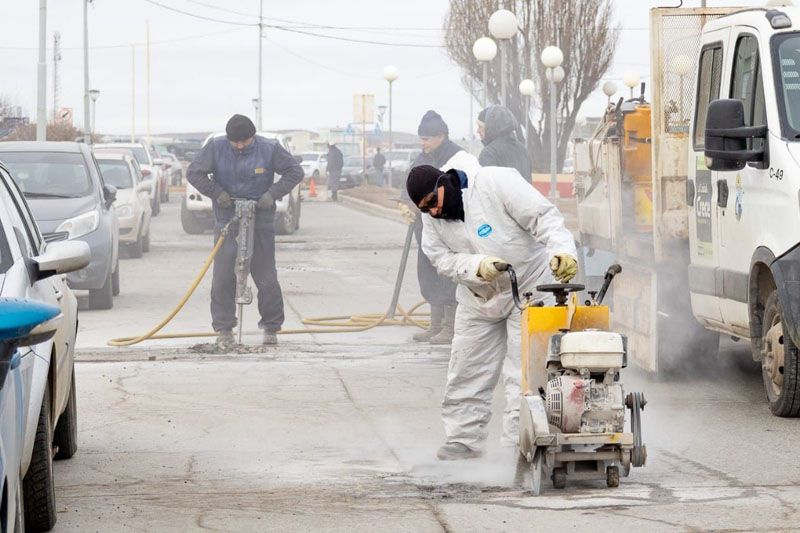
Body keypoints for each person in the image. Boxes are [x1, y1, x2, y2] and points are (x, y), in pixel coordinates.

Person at [405, 163, 577, 460]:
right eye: (424, 209)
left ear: (444, 182)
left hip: (529, 289)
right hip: (478, 297)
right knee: (466, 368)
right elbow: (441, 259)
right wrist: (476, 266)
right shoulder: (431, 219)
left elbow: (543, 217)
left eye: (433, 202)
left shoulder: (495, 183)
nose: (433, 211)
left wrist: (562, 251)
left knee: (524, 372)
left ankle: (519, 444)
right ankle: (463, 440)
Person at [187, 114, 304, 350]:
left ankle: (271, 327)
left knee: (266, 276)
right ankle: (224, 329)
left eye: (244, 142)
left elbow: (295, 172)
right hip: (227, 221)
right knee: (223, 277)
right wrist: (217, 193)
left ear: (253, 137)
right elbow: (194, 173)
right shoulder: (216, 148)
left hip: (260, 220)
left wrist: (272, 194)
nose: (239, 146)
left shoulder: (269, 149)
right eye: (235, 142)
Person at [398, 110, 480, 345]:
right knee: (428, 274)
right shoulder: (423, 156)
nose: (422, 143)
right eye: (421, 139)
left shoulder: (457, 158)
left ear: (441, 136)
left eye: (426, 139)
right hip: (425, 228)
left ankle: (450, 327)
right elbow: (411, 180)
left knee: (448, 275)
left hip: (448, 227)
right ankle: (435, 325)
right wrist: (406, 202)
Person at [477, 106, 533, 183]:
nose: (478, 131)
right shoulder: (523, 150)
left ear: (490, 127)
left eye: (480, 127)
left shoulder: (489, 153)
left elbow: (486, 185)